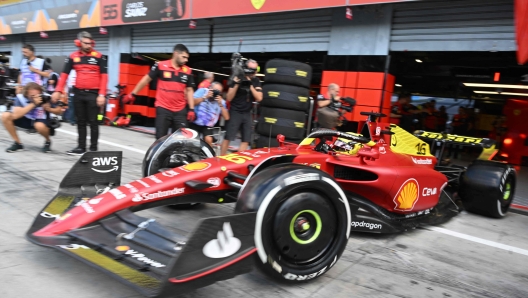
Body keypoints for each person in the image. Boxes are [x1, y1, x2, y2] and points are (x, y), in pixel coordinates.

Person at [51, 31, 107, 155]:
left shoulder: (99, 56)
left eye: (90, 43)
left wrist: (102, 94)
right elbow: (64, 75)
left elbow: (104, 76)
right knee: (80, 121)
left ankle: (93, 149)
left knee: (93, 122)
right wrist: (58, 91)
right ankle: (81, 147)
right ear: (79, 42)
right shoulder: (72, 57)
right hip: (78, 93)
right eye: (85, 43)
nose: (88, 45)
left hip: (93, 94)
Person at [125, 44, 195, 140]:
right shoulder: (160, 65)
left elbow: (189, 90)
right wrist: (133, 94)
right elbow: (146, 80)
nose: (186, 60)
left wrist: (191, 109)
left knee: (181, 139)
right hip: (163, 108)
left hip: (180, 110)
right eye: (184, 57)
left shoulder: (188, 71)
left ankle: (175, 155)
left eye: (187, 58)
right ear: (176, 53)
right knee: (160, 139)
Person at [1, 82, 62, 153]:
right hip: (26, 120)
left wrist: (50, 109)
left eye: (38, 95)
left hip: (40, 120)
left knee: (39, 125)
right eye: (32, 96)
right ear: (26, 94)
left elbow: (59, 111)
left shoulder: (46, 97)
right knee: (5, 115)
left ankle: (47, 141)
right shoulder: (20, 98)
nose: (36, 97)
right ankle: (17, 143)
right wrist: (33, 104)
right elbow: (16, 115)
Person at [220, 59, 262, 155]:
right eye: (252, 69)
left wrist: (250, 85)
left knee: (246, 139)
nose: (254, 72)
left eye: (256, 69)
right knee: (228, 137)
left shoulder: (256, 81)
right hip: (235, 111)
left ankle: (237, 159)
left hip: (247, 112)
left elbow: (259, 98)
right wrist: (236, 84)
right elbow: (229, 98)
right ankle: (221, 159)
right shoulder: (237, 77)